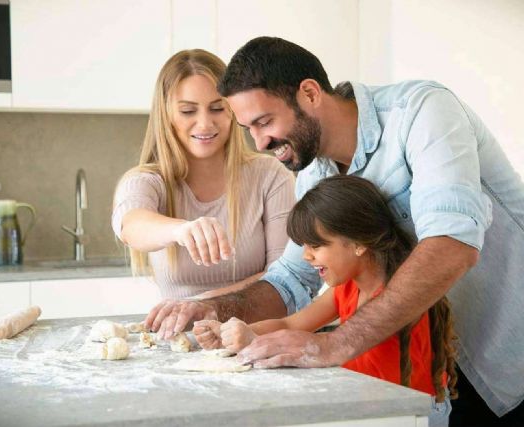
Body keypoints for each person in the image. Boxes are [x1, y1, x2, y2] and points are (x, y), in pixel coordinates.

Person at [145, 37, 524, 425]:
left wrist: (334, 343)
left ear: (309, 93)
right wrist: (214, 308)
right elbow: (291, 279)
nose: (260, 142)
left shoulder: (422, 113)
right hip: (439, 371)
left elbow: (452, 244)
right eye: (248, 129)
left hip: (512, 350)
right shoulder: (312, 175)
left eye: (264, 122)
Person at [195, 175, 458, 426]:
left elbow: (371, 385)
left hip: (416, 412)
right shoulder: (346, 288)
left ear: (357, 243)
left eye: (316, 246)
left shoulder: (395, 303)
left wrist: (255, 342)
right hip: (376, 406)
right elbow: (290, 325)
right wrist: (239, 334)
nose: (306, 257)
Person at [111, 49, 295, 338]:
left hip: (258, 340)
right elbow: (131, 224)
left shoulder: (270, 176)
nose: (205, 124)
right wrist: (181, 230)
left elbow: (285, 277)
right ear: (166, 114)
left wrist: (203, 304)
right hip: (180, 345)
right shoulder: (148, 181)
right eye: (187, 111)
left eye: (217, 108)